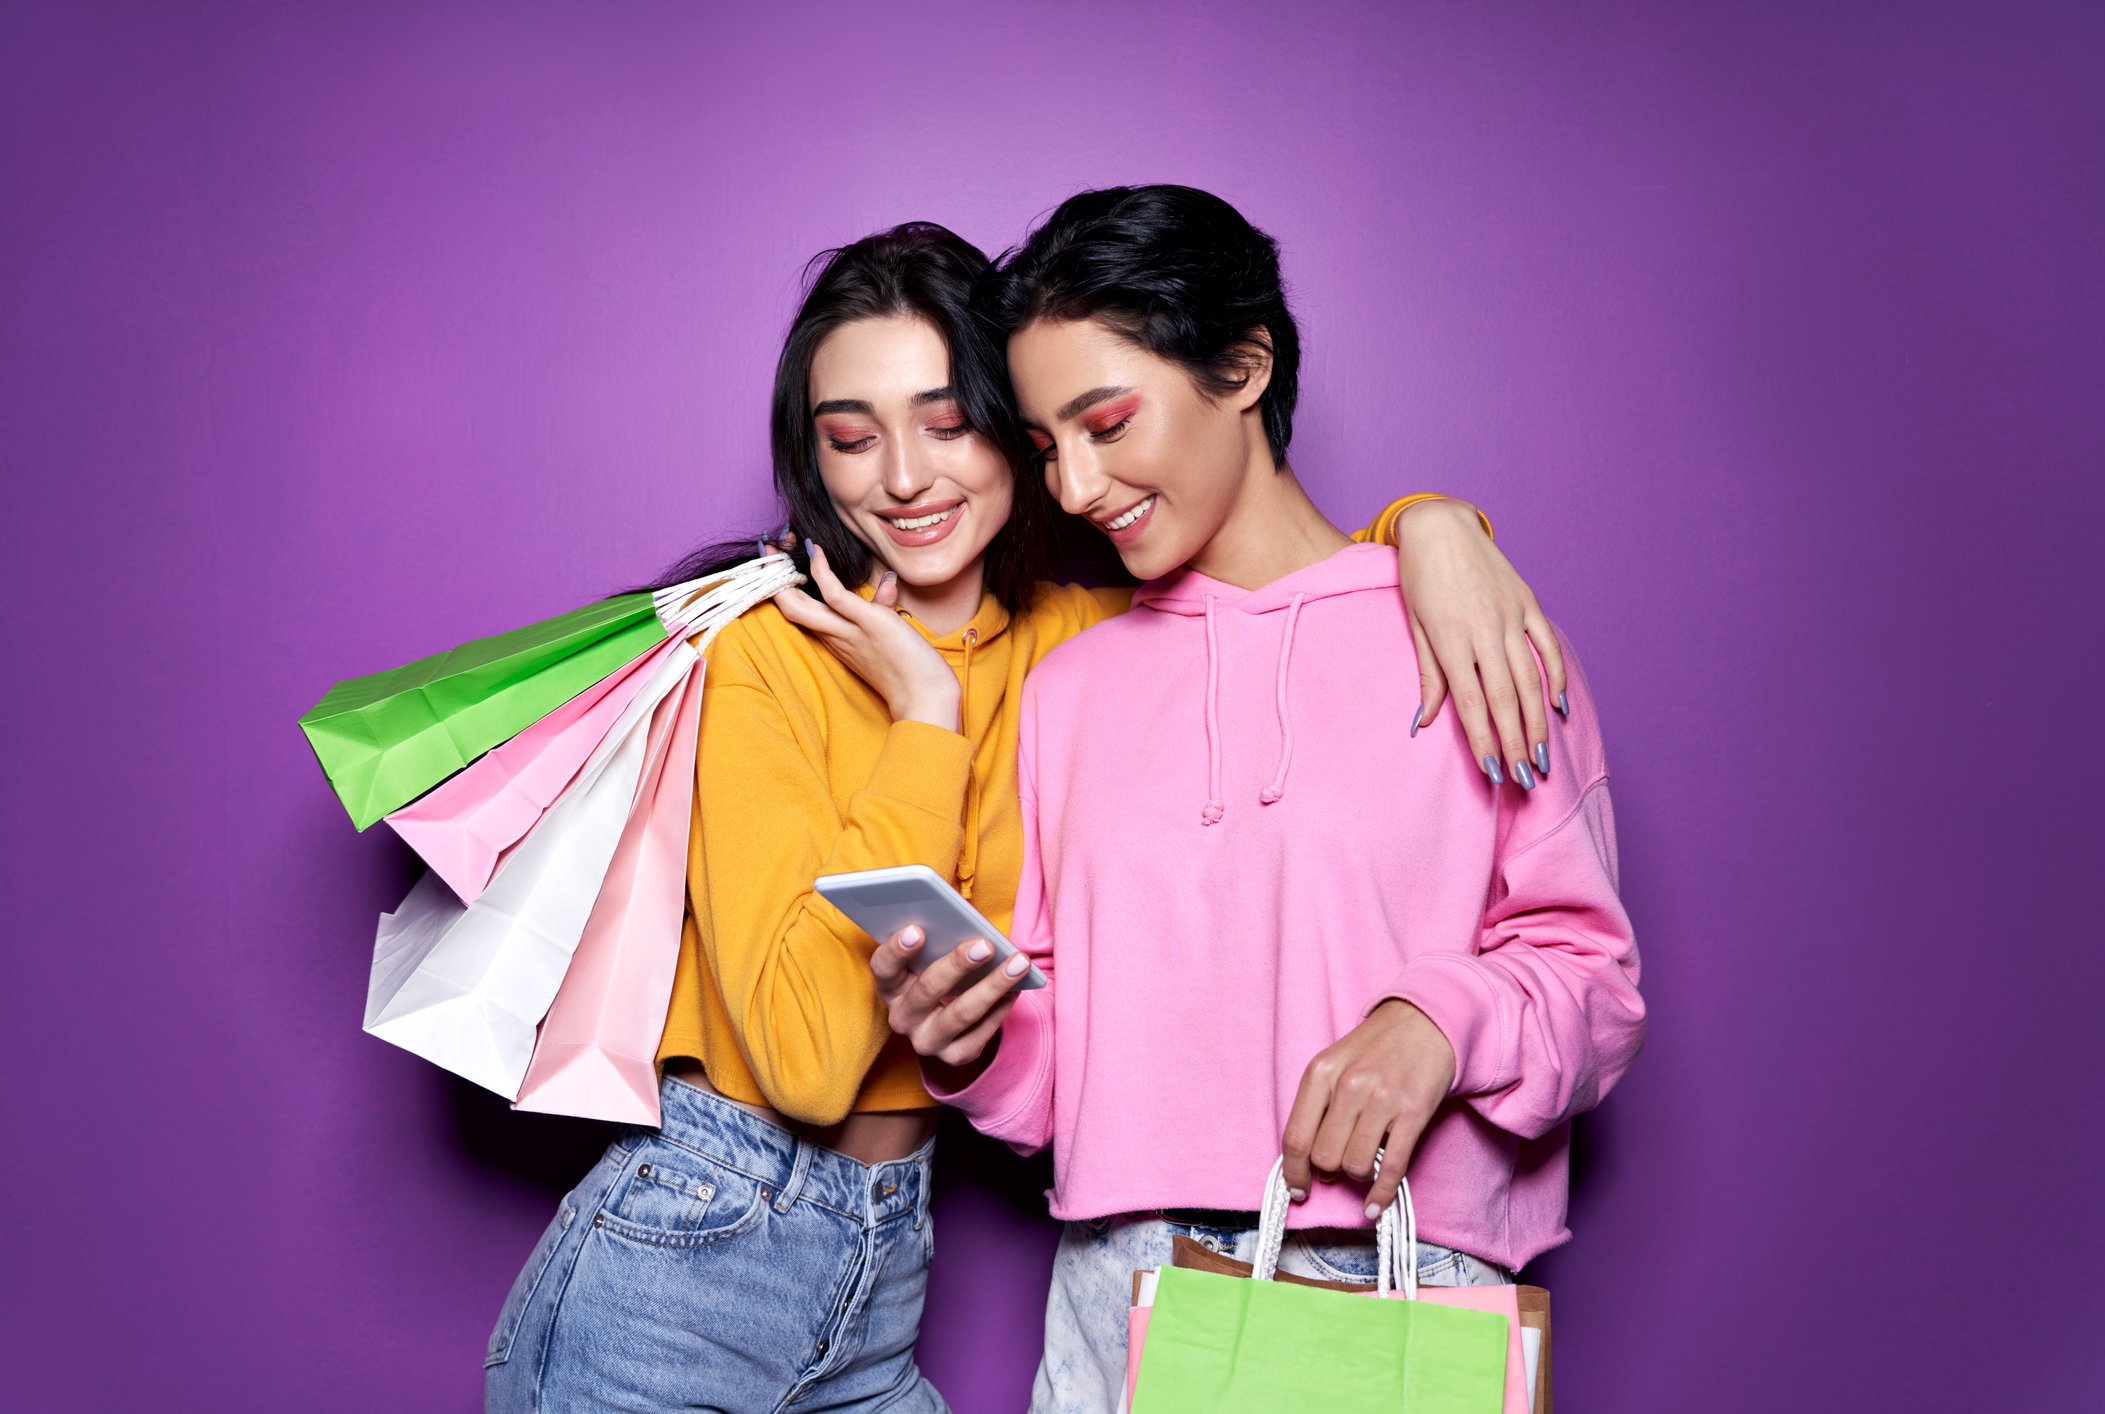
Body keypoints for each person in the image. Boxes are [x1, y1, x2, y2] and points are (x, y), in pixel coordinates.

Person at [484, 219, 1568, 1412]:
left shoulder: (1084, 642)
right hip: (692, 1242)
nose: (901, 477)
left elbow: (1267, 591)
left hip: (887, 1277)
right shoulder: (769, 656)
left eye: (948, 426)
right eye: (851, 438)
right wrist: (926, 718)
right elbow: (806, 1062)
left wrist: (1431, 527)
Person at [873, 186, 1646, 1412]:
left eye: (1107, 421)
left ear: (1243, 366)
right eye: (1043, 443)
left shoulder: (1472, 630)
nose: (1073, 485)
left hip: (1400, 1291)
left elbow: (1596, 991)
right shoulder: (1067, 690)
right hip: (1119, 1294)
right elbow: (1060, 1074)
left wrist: (1439, 1019)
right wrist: (974, 1040)